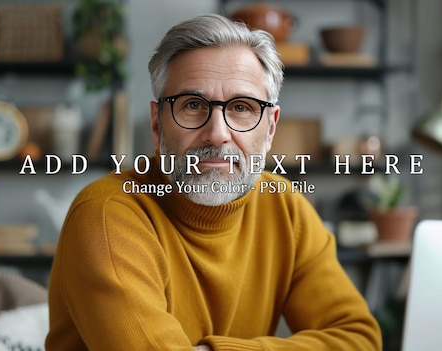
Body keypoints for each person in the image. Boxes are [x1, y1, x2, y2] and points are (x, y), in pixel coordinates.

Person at [45, 14, 381, 351]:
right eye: (192, 105)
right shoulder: (107, 215)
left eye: (241, 107)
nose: (218, 133)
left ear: (270, 129)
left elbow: (359, 339)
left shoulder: (286, 207)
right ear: (157, 123)